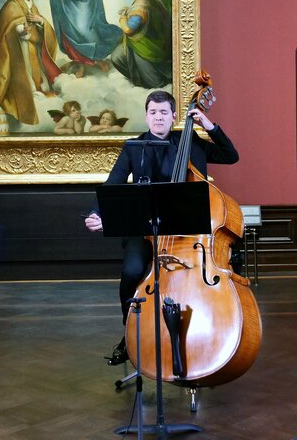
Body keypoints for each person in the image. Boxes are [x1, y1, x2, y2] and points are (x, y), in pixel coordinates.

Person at [84, 90, 239, 364]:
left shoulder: (190, 141)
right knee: (132, 272)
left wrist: (209, 126)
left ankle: (197, 334)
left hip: (187, 231)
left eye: (164, 112)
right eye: (153, 113)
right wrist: (98, 213)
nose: (158, 118)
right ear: (146, 116)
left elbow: (231, 156)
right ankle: (129, 333)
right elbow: (114, 183)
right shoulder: (134, 147)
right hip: (144, 230)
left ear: (174, 116)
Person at [0, 0, 62, 126]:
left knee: (38, 76)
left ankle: (37, 90)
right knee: (27, 76)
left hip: (33, 50)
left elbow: (39, 26)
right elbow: (7, 27)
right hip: (19, 51)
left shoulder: (31, 5)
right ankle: (28, 94)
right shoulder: (11, 7)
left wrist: (41, 21)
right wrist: (20, 30)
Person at [110, 0, 173, 89]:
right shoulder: (147, 1)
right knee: (117, 56)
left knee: (154, 83)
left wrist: (123, 18)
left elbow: (128, 30)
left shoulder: (140, 8)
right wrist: (129, 11)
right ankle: (139, 77)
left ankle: (142, 79)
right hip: (141, 44)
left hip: (144, 48)